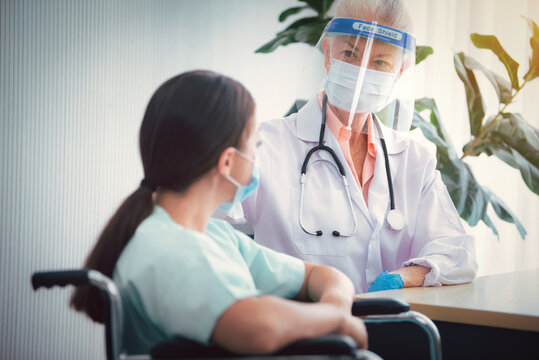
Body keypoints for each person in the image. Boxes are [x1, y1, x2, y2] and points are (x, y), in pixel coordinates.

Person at [69, 70, 368, 355]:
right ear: (227, 162)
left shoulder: (217, 238)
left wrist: (335, 304)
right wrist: (336, 319)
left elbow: (320, 276)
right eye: (255, 146)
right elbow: (258, 329)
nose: (257, 159)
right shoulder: (163, 249)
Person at [219, 0, 477, 293]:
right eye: (350, 53)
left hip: (396, 329)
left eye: (380, 62)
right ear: (327, 54)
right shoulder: (266, 145)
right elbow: (202, 225)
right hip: (300, 329)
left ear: (400, 71)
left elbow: (457, 253)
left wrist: (402, 278)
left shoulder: (414, 160)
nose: (362, 70)